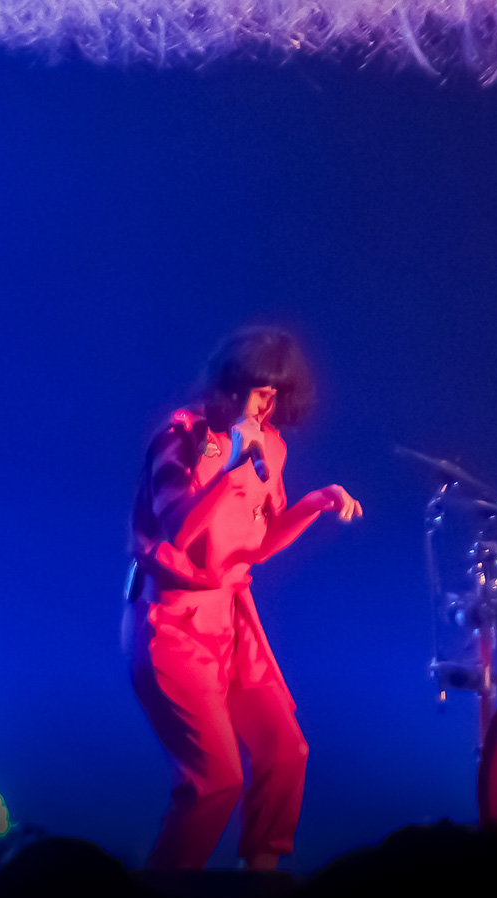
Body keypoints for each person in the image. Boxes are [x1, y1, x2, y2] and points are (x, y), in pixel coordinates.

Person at [125, 326, 362, 870]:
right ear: (230, 386)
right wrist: (229, 468)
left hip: (230, 623)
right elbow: (181, 531)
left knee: (286, 751)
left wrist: (314, 504)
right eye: (259, 393)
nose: (267, 406)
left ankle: (261, 880)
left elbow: (258, 544)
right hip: (170, 624)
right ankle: (162, 892)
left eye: (276, 395)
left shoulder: (271, 446)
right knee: (217, 782)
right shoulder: (180, 438)